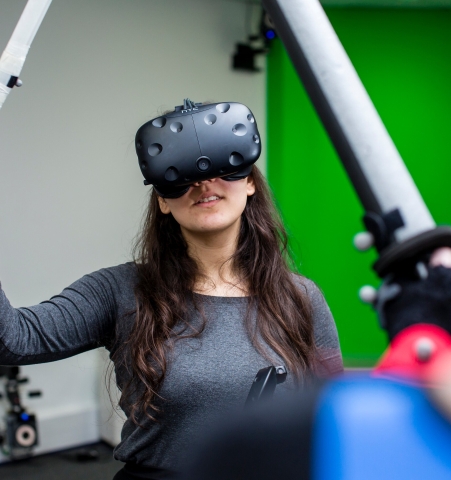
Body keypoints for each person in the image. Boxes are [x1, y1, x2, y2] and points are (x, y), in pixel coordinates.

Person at [0, 105, 342, 479]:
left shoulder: (301, 298)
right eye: (183, 175)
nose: (203, 182)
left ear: (250, 182)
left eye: (221, 168)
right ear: (162, 199)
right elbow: (13, 339)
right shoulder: (120, 291)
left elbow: (334, 417)